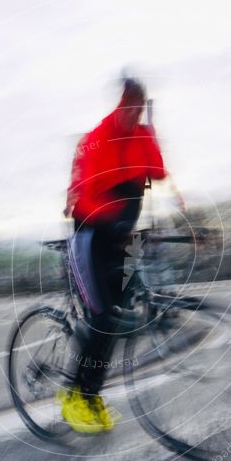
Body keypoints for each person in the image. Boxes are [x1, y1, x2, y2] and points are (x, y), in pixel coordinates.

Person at [60, 77, 169, 433]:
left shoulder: (140, 136)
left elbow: (159, 174)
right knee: (102, 317)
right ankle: (73, 395)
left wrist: (151, 137)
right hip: (91, 235)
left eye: (139, 106)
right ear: (120, 102)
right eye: (129, 104)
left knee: (123, 318)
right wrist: (116, 229)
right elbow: (86, 196)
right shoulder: (96, 138)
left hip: (124, 237)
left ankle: (92, 396)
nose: (133, 112)